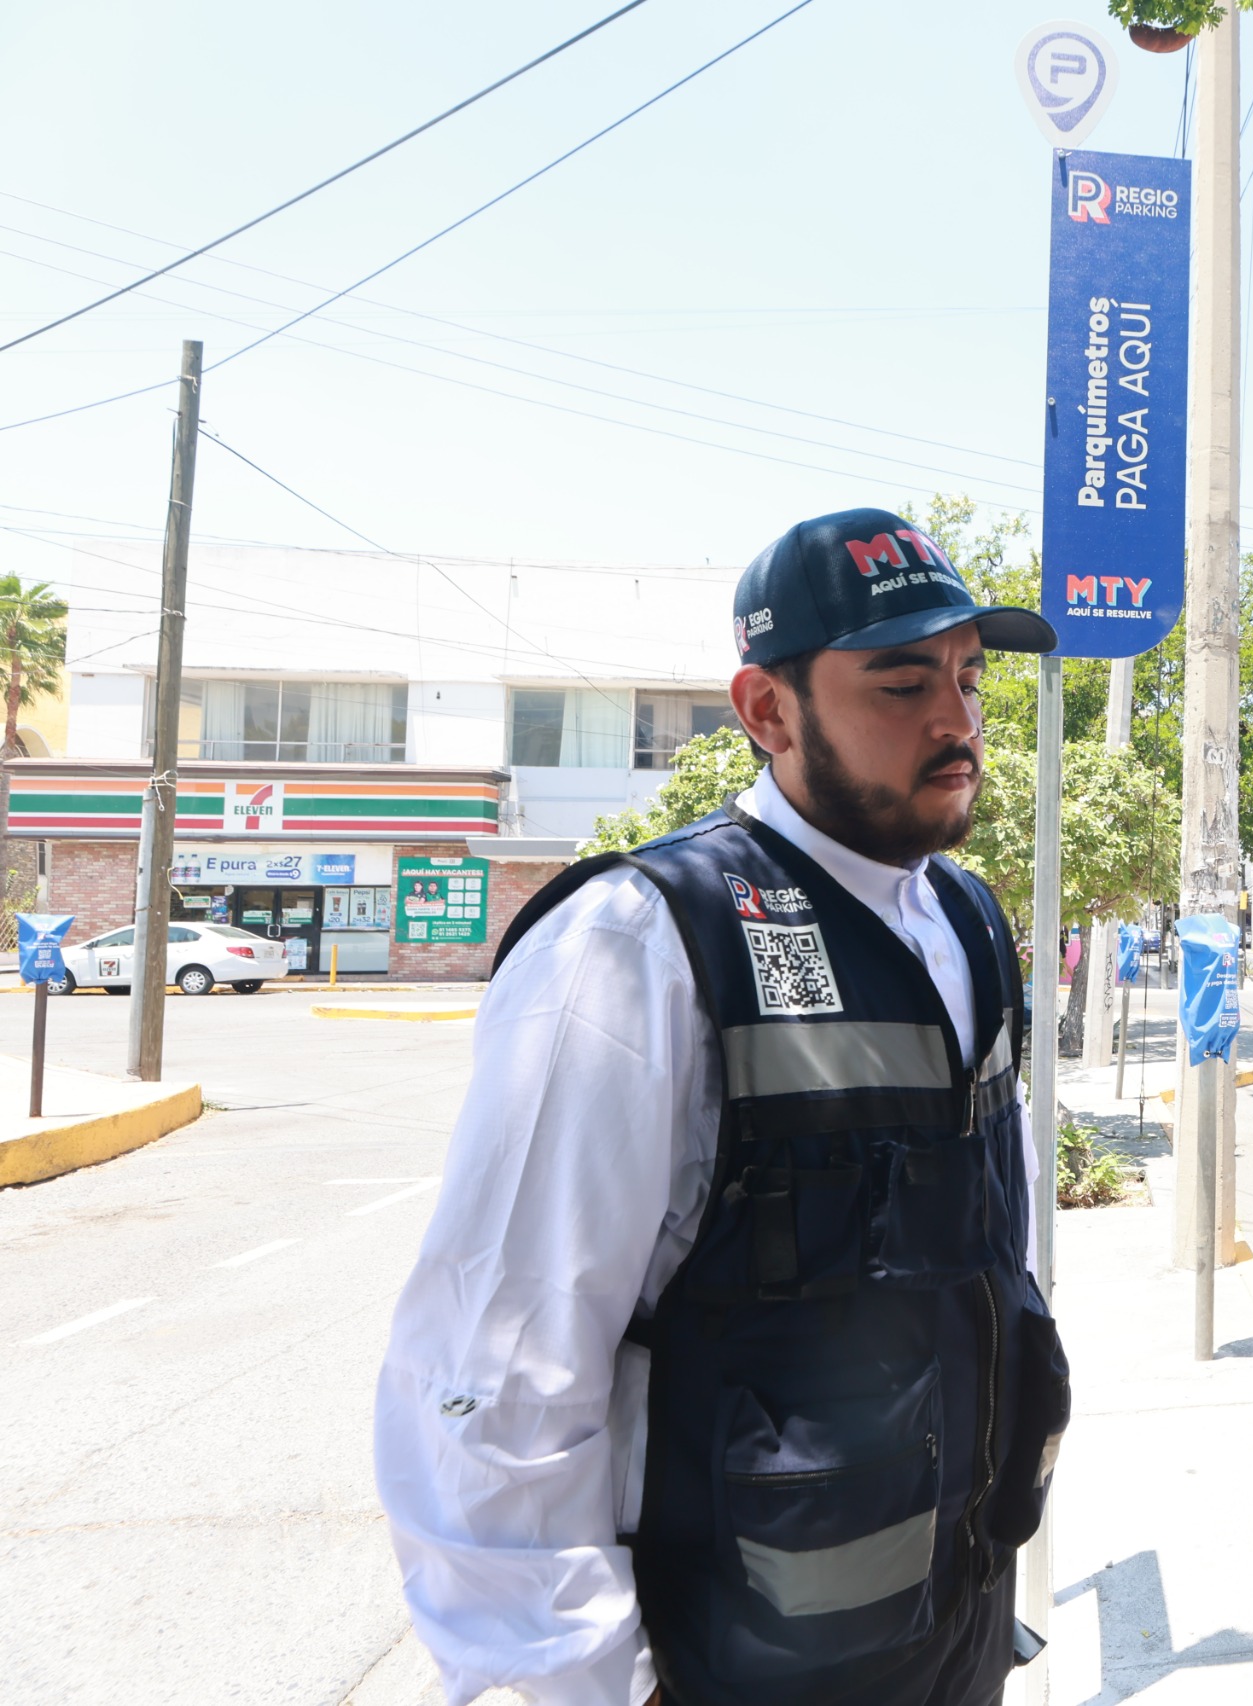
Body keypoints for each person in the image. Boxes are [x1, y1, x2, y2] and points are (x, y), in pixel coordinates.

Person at [375, 508, 1072, 1706]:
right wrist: (578, 1679)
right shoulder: (638, 942)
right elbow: (493, 1372)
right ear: (767, 711)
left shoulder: (962, 919)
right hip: (731, 1663)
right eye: (903, 683)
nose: (957, 721)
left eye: (966, 676)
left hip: (950, 1633)